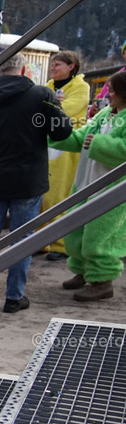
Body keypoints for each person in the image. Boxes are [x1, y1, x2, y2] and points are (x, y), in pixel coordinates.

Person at [0, 53, 73, 313]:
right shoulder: (40, 95)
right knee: (22, 239)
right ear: (23, 69)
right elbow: (63, 131)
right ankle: (14, 297)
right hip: (27, 179)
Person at [48, 70, 126, 301]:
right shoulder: (104, 114)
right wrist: (54, 135)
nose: (107, 95)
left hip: (111, 190)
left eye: (111, 91)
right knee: (76, 230)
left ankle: (102, 281)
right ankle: (83, 272)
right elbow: (81, 138)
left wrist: (99, 143)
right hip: (86, 183)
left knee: (100, 238)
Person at [41, 50, 90, 261]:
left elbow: (70, 108)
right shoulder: (47, 87)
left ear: (71, 66)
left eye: (57, 65)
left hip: (66, 147)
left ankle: (60, 245)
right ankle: (40, 240)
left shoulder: (81, 87)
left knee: (60, 194)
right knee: (43, 194)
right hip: (46, 144)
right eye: (52, 65)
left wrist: (49, 107)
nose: (53, 68)